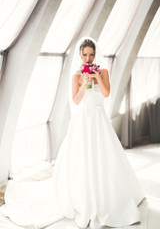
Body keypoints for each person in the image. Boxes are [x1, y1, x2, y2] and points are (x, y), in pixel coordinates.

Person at [1, 37, 145, 229]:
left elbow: (106, 93)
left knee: (104, 158)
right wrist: (84, 82)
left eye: (91, 54)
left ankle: (108, 198)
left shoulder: (103, 71)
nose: (88, 58)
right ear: (80, 55)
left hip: (99, 120)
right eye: (85, 54)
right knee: (81, 159)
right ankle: (82, 198)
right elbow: (76, 101)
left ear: (95, 55)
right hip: (82, 120)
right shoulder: (76, 76)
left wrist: (96, 78)